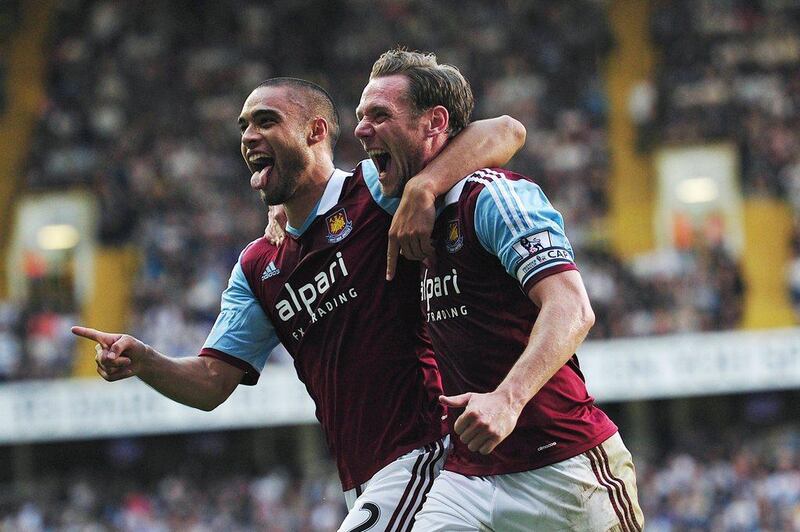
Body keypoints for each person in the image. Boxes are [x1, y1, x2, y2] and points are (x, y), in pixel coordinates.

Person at [72, 77, 525, 531]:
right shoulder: (257, 266)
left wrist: (423, 187)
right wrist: (144, 360)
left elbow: (505, 131)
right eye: (244, 126)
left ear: (315, 132)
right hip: (364, 480)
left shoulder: (376, 192)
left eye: (266, 121)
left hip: (425, 452)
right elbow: (211, 383)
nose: (249, 136)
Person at [354, 49, 644, 531]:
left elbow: (572, 307)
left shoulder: (492, 197)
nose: (362, 129)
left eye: (380, 115)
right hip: (469, 476)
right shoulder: (394, 194)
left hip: (563, 465)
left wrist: (507, 400)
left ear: (433, 123)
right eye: (361, 116)